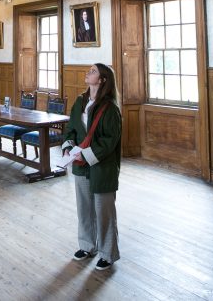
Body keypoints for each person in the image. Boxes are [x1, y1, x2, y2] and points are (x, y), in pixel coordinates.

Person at [61, 63, 122, 271]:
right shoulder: (80, 102)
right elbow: (71, 129)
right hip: (80, 164)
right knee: (84, 207)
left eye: (93, 71)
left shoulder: (111, 108)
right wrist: (68, 147)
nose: (88, 72)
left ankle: (107, 253)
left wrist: (85, 154)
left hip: (102, 168)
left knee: (103, 211)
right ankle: (87, 245)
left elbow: (109, 141)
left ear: (103, 79)